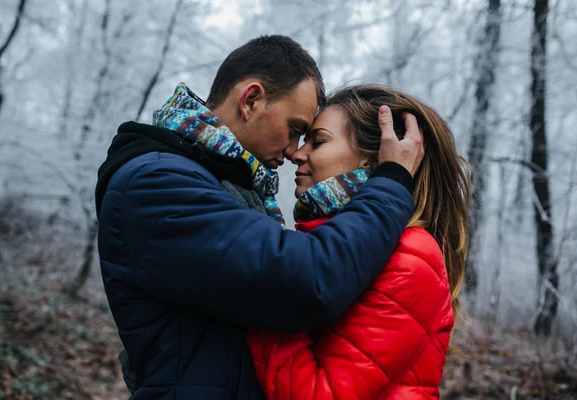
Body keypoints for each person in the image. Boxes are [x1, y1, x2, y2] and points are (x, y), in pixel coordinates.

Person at [95, 36, 424, 399]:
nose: (293, 152)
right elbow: (306, 281)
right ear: (250, 100)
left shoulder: (219, 181)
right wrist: (391, 183)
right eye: (296, 130)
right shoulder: (157, 184)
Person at [247, 84, 471, 400]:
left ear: (372, 160)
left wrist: (262, 280)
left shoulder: (410, 256)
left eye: (319, 141)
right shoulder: (327, 241)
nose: (297, 154)